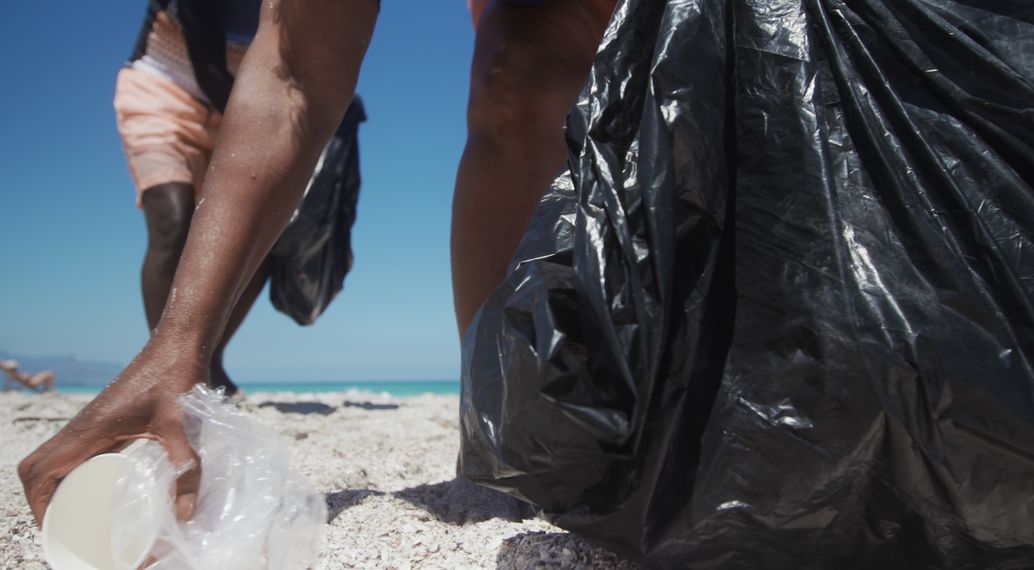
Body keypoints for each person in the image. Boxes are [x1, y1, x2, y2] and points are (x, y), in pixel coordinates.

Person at [19, 0, 617, 526]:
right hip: (178, 79)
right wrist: (180, 345)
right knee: (518, 78)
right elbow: (294, 73)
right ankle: (511, 428)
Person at [115, 0, 267, 395]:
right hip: (162, 94)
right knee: (173, 218)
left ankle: (206, 356)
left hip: (237, 110)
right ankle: (167, 363)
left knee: (264, 240)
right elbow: (210, 69)